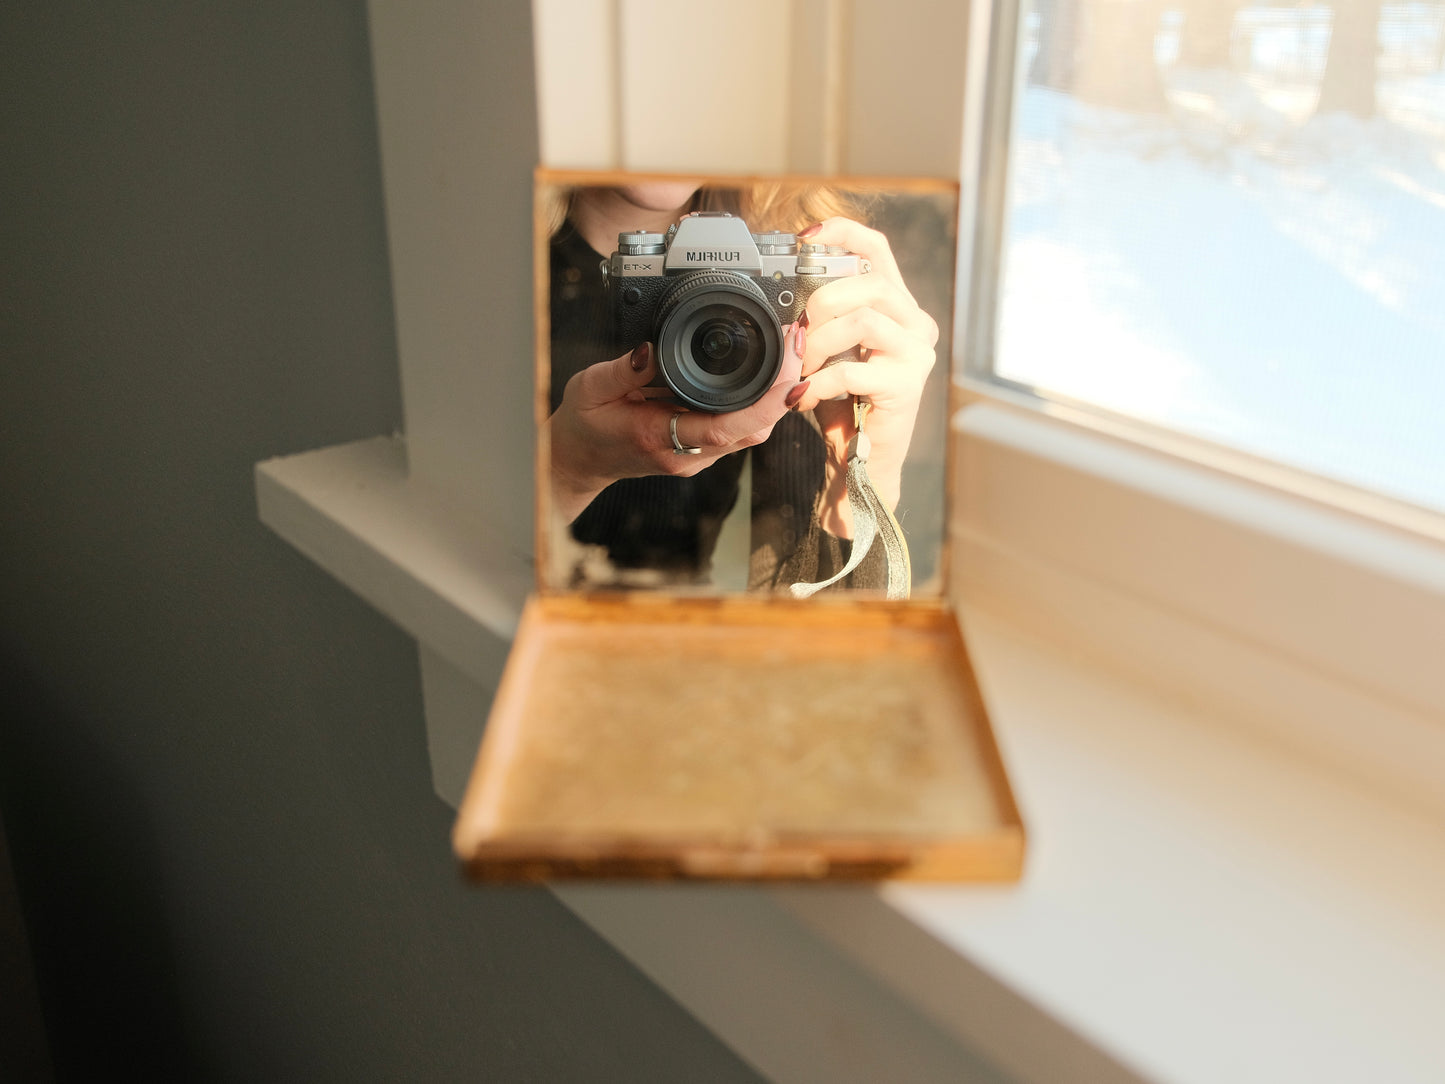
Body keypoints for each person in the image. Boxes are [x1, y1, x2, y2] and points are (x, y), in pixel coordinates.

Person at [545, 181, 938, 591]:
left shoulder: (800, 294)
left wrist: (860, 472)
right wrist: (565, 470)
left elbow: (787, 613)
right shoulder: (507, 259)